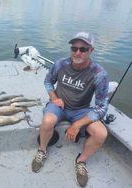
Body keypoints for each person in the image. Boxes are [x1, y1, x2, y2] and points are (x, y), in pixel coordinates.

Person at [31, 32, 109, 187]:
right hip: (59, 105)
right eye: (74, 48)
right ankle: (42, 150)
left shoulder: (99, 74)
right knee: (47, 121)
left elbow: (101, 107)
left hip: (81, 110)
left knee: (101, 133)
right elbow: (48, 81)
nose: (77, 52)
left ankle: (81, 161)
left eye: (83, 49)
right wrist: (54, 98)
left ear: (91, 50)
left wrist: (77, 125)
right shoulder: (60, 64)